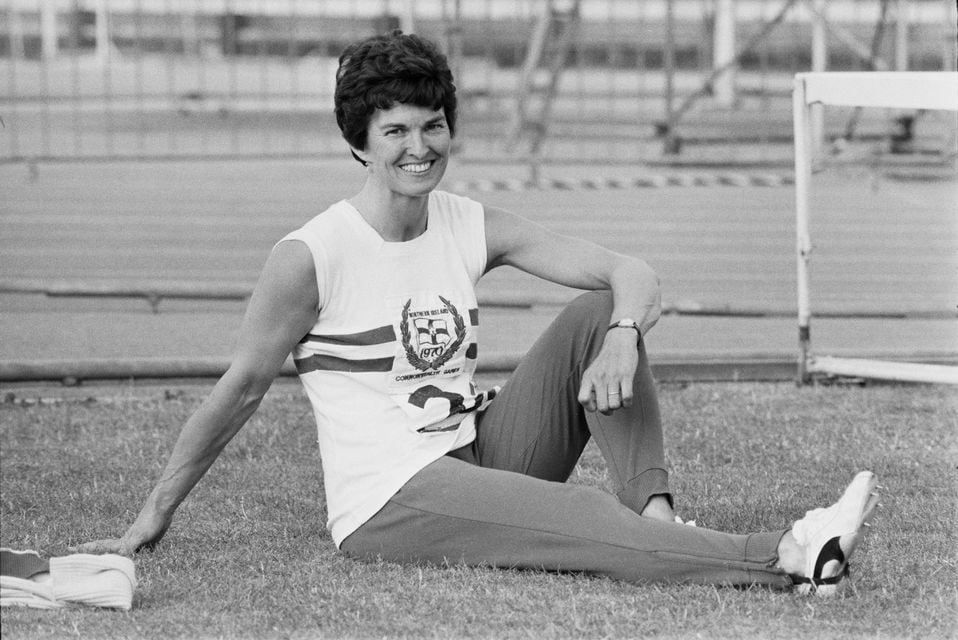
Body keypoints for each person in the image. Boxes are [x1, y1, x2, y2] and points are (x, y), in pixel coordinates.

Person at [77, 31, 879, 596]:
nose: (418, 147)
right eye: (393, 131)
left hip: (475, 453)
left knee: (598, 311)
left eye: (432, 126)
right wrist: (154, 513)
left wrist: (625, 335)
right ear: (358, 142)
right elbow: (241, 390)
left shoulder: (466, 222)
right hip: (390, 500)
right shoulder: (311, 255)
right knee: (575, 517)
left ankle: (662, 521)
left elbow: (628, 273)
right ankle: (788, 556)